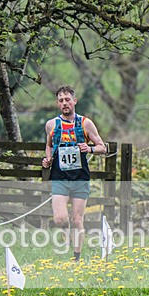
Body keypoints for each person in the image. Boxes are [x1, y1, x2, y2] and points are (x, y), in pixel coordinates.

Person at [41, 85, 106, 261]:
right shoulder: (51, 125)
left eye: (67, 99)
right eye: (61, 100)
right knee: (60, 218)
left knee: (77, 220)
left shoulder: (85, 123)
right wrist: (47, 159)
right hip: (59, 177)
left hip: (80, 178)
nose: (64, 103)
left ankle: (76, 258)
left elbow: (102, 147)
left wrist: (90, 149)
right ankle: (65, 230)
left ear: (74, 101)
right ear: (57, 104)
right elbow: (48, 145)